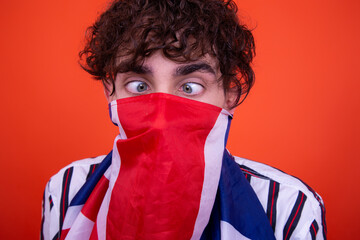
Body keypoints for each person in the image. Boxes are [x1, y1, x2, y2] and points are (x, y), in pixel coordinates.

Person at [41, 0, 326, 239]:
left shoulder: (290, 207)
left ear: (229, 95)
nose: (162, 117)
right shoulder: (66, 190)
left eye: (190, 87)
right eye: (139, 86)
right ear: (110, 92)